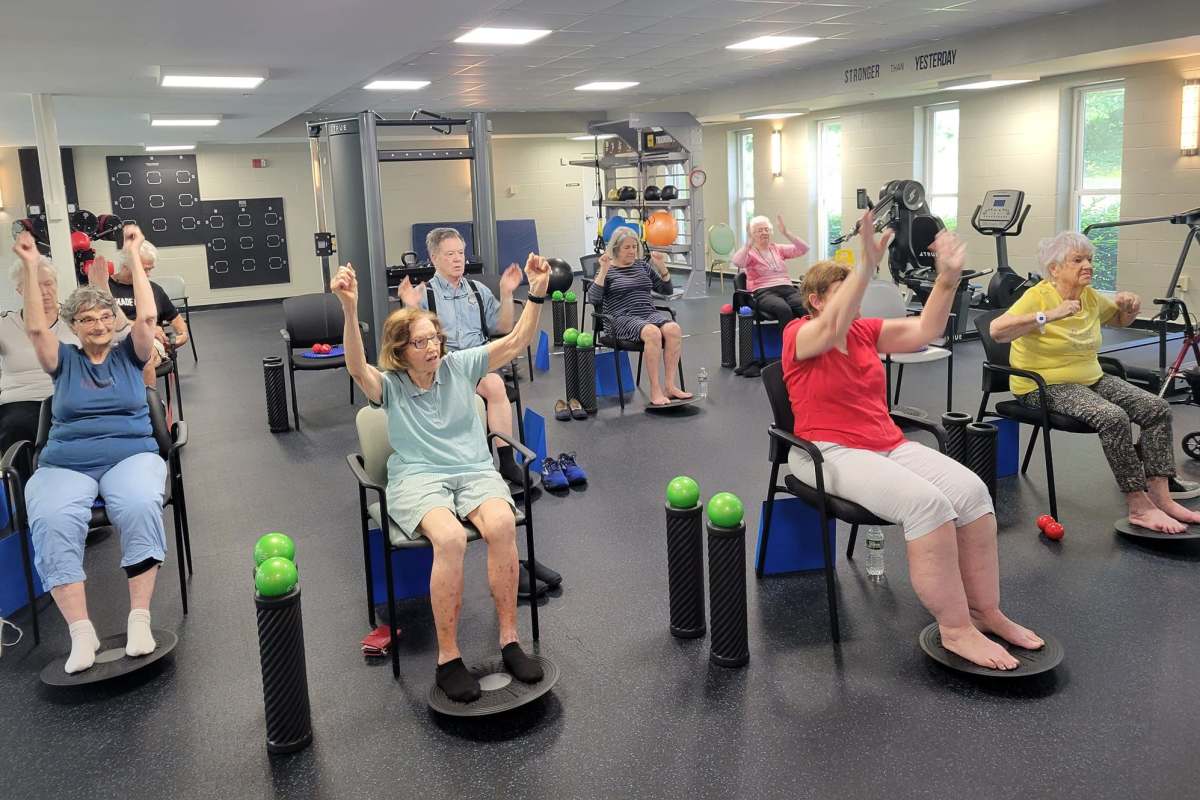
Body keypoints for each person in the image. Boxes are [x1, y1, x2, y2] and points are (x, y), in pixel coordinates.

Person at [783, 208, 1042, 671]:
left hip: (885, 443)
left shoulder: (864, 332)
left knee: (972, 494)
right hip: (826, 452)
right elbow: (831, 328)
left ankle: (986, 611)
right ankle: (956, 628)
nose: (855, 299)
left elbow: (926, 330)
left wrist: (948, 279)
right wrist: (865, 265)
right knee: (928, 504)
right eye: (844, 292)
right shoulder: (800, 334)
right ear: (816, 300)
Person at [334, 252, 549, 703]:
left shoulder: (459, 366)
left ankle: (510, 641)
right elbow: (356, 368)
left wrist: (537, 292)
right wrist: (350, 309)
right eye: (420, 343)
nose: (432, 348)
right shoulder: (390, 386)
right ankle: (448, 657)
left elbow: (515, 341)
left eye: (435, 339)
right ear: (399, 350)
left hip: (472, 470)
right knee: (449, 539)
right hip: (418, 478)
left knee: (503, 525)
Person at [14, 226, 167, 674]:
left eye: (104, 317)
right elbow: (35, 327)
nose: (99, 325)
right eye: (87, 320)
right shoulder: (63, 360)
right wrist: (28, 264)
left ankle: (139, 619)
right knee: (52, 518)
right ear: (74, 327)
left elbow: (148, 319)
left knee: (140, 504)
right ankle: (81, 633)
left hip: (131, 453)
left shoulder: (130, 354)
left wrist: (134, 256)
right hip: (66, 461)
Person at [989, 232, 1200, 533]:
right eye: (1078, 260)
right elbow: (998, 331)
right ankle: (1139, 506)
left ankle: (1162, 498)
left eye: (1089, 259)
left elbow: (1120, 320)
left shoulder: (1088, 296)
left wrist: (1130, 306)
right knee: (1112, 416)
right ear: (1055, 269)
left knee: (1156, 407)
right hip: (1042, 385)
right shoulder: (1038, 296)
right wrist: (1048, 315)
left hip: (1091, 377)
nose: (1087, 265)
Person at [397, 228, 526, 486]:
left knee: (494, 383)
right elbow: (412, 341)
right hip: (442, 366)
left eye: (460, 253)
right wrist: (410, 307)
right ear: (434, 258)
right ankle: (476, 465)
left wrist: (507, 292)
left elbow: (502, 327)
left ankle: (507, 462)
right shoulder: (424, 295)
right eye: (450, 254)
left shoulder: (477, 291)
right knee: (485, 385)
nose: (458, 259)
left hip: (477, 362)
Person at [586, 226, 691, 406]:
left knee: (673, 329)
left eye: (634, 247)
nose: (632, 251)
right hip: (620, 318)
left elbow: (667, 290)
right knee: (652, 333)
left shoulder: (642, 266)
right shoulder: (608, 270)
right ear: (616, 249)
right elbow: (593, 298)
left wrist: (662, 267)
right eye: (627, 247)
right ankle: (655, 390)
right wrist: (603, 270)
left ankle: (670, 386)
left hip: (647, 313)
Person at [0, 254, 81, 455]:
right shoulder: (4, 325)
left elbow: (116, 335)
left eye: (49, 283)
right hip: (21, 400)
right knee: (16, 429)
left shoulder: (77, 319)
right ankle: (24, 485)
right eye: (36, 286)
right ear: (20, 290)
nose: (45, 292)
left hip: (69, 395)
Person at [108, 240, 189, 375]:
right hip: (114, 341)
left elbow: (177, 321)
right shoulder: (105, 288)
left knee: (145, 357)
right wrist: (145, 328)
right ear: (126, 266)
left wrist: (183, 336)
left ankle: (147, 394)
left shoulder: (154, 290)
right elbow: (105, 322)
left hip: (149, 344)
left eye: (150, 269)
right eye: (144, 269)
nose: (147, 274)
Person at [731, 214, 810, 322]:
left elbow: (804, 249)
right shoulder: (750, 253)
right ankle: (786, 338)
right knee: (783, 309)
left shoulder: (778, 249)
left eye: (766, 229)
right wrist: (748, 245)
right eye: (759, 230)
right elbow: (737, 262)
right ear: (752, 234)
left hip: (787, 288)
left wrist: (786, 233)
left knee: (806, 307)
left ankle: (806, 337)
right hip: (763, 291)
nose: (764, 232)